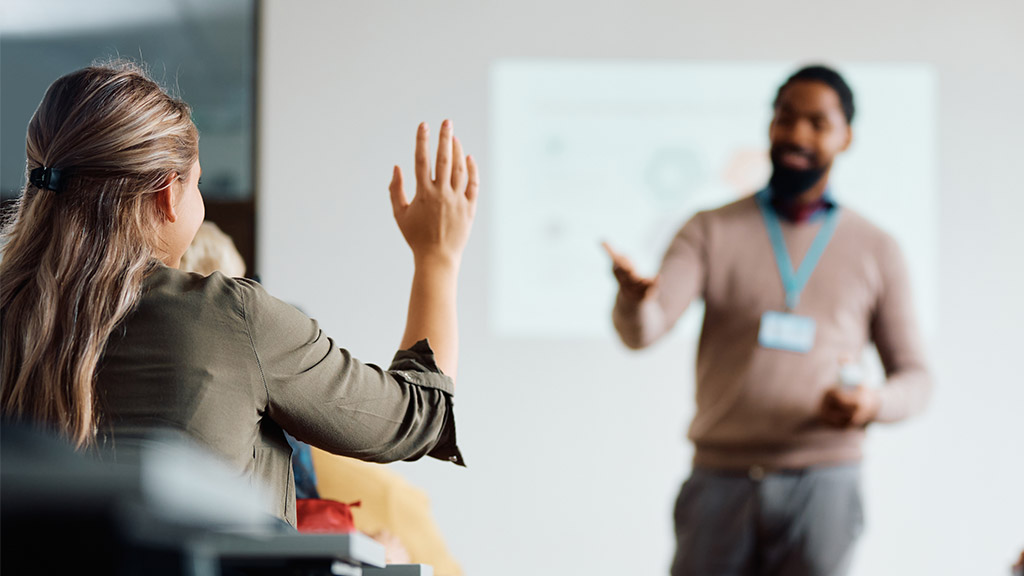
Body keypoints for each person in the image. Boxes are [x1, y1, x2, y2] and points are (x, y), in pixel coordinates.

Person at [0, 61, 479, 528]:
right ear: (168, 194)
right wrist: (437, 256)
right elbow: (418, 416)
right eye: (198, 183)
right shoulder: (230, 317)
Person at [604, 65, 932, 576]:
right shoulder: (709, 229)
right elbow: (643, 332)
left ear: (847, 137)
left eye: (817, 123)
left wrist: (872, 404)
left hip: (823, 481)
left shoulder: (877, 249)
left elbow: (916, 378)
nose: (797, 134)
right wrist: (631, 301)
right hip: (720, 480)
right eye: (785, 118)